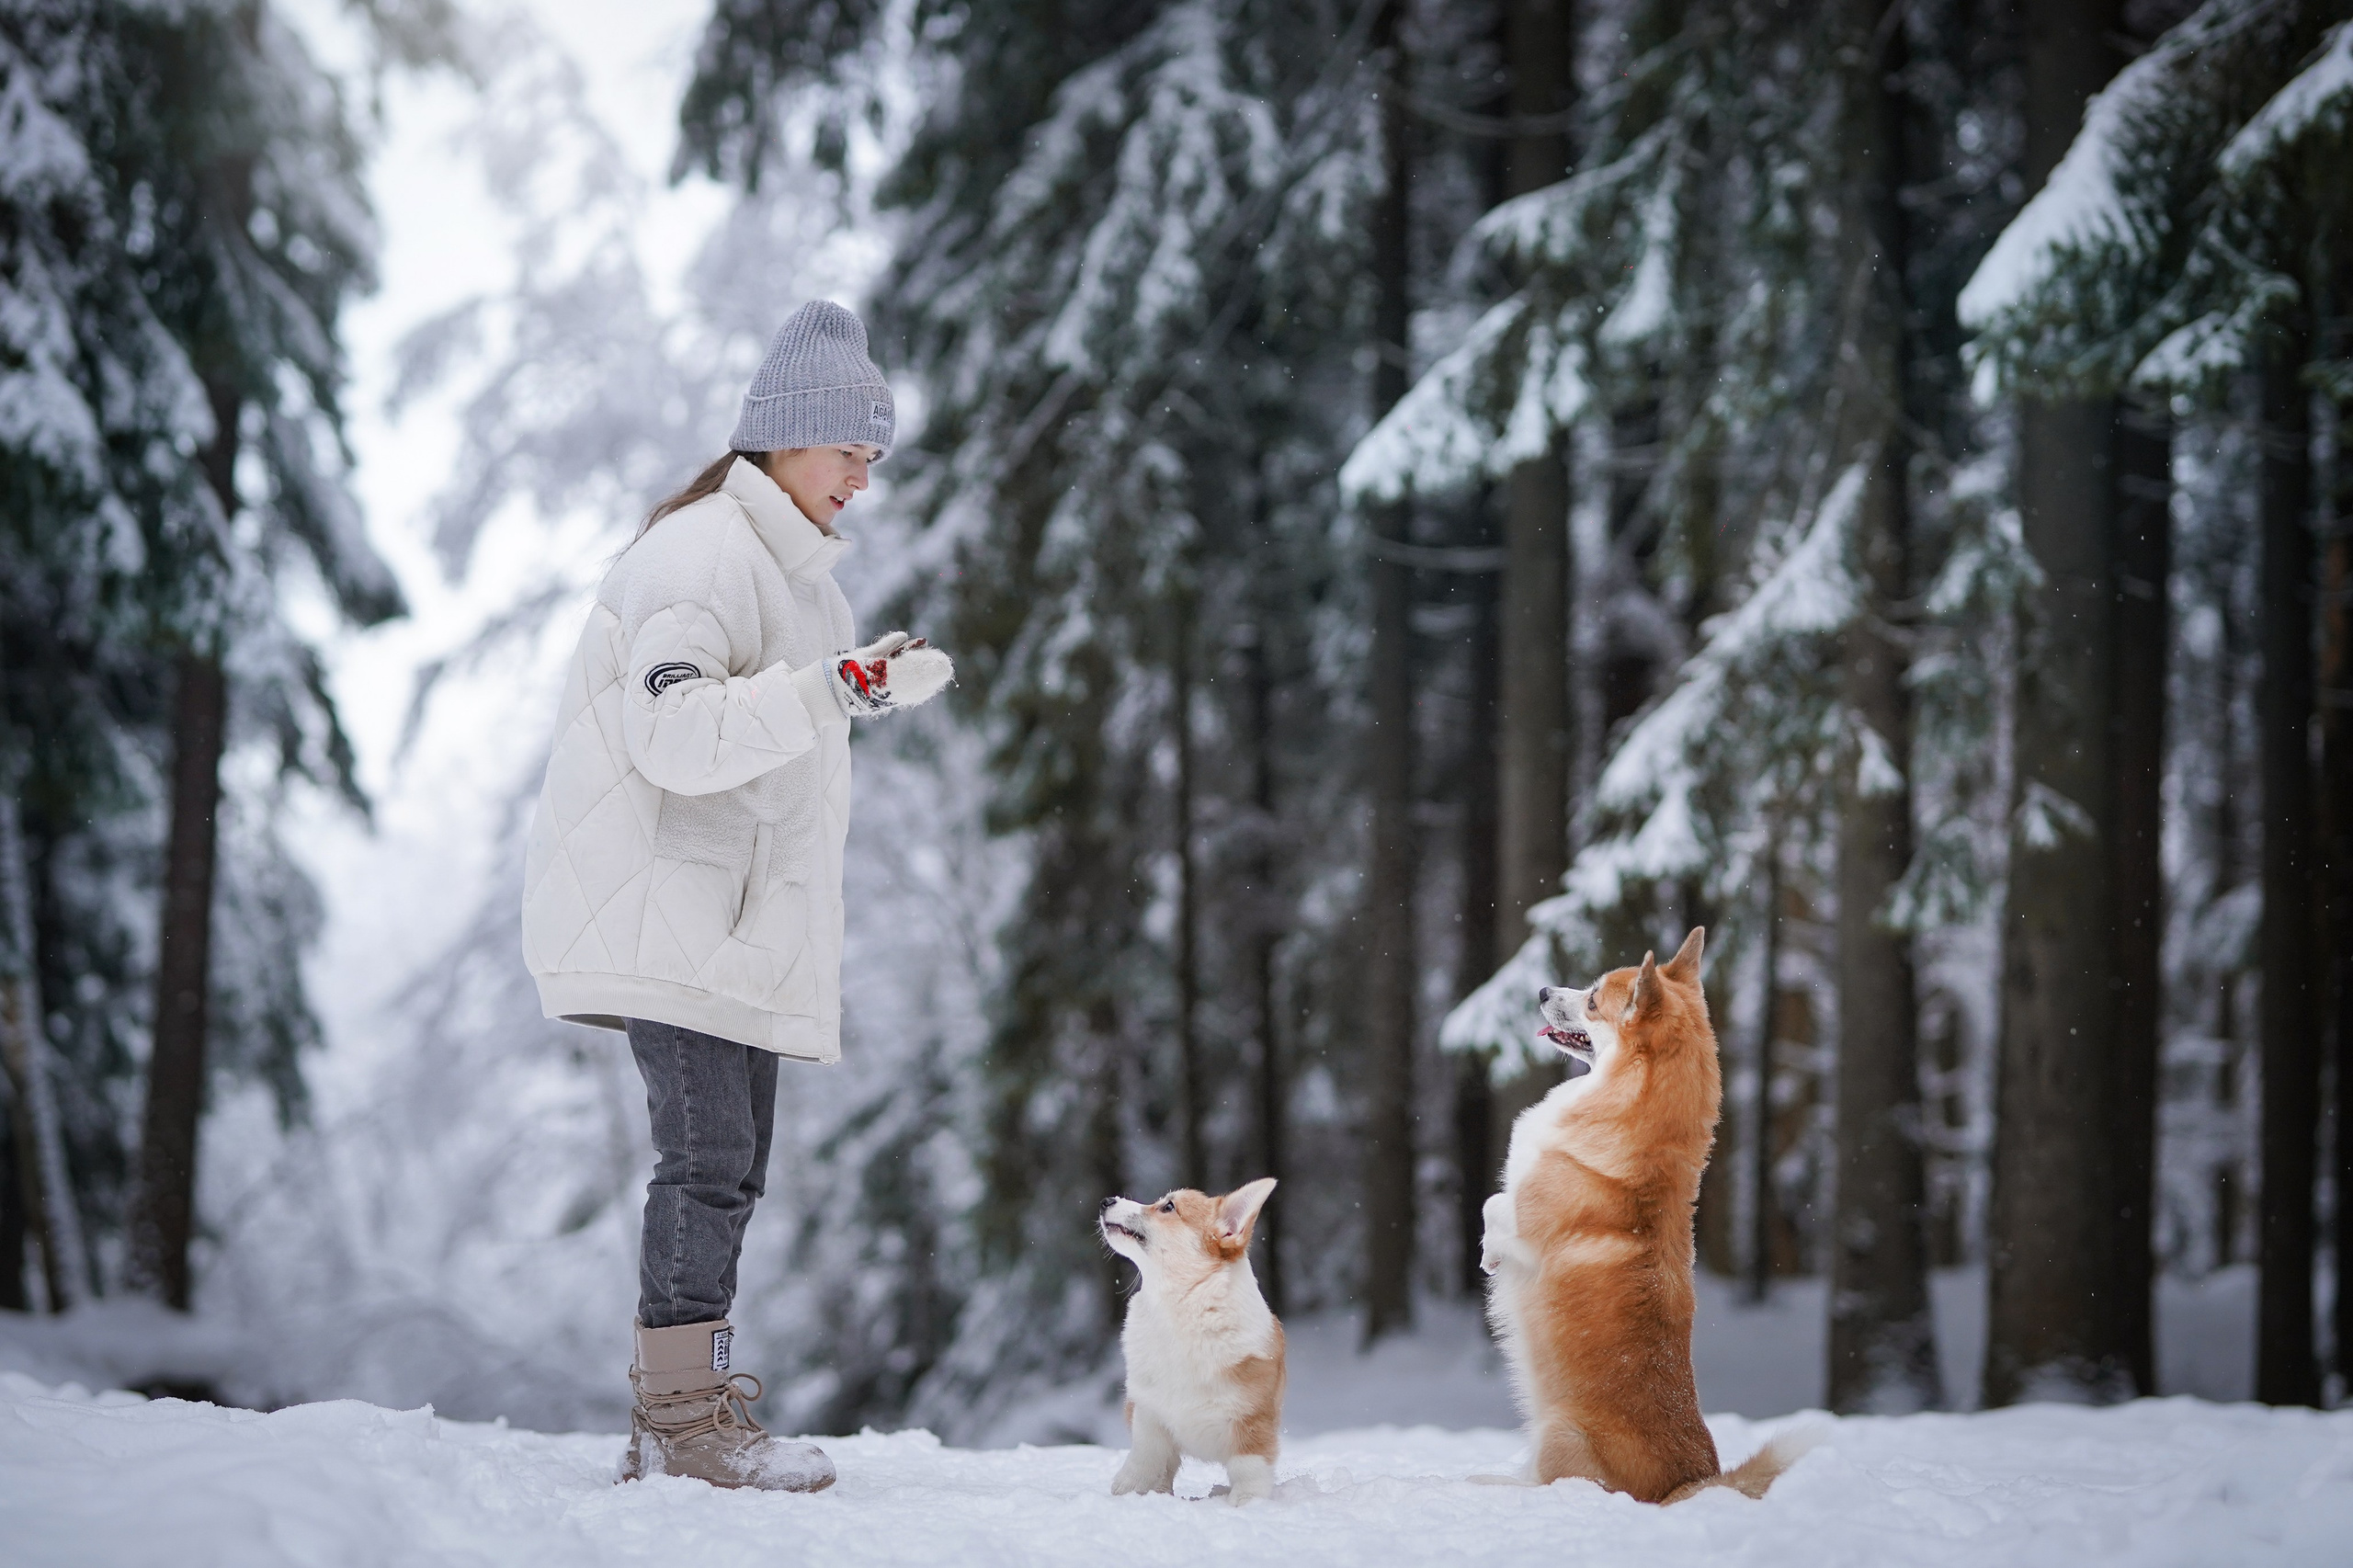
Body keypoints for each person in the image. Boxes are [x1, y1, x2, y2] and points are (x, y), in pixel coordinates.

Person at [519, 301, 951, 1491]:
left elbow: (779, 749)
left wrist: (851, 684)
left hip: (729, 922)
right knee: (708, 1157)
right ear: (788, 436)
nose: (864, 479)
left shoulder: (804, 583)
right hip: (672, 909)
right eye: (850, 451)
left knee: (730, 1164)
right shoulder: (701, 553)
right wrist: (828, 690)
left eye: (874, 457)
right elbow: (675, 733)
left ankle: (686, 1407)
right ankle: (679, 1422)